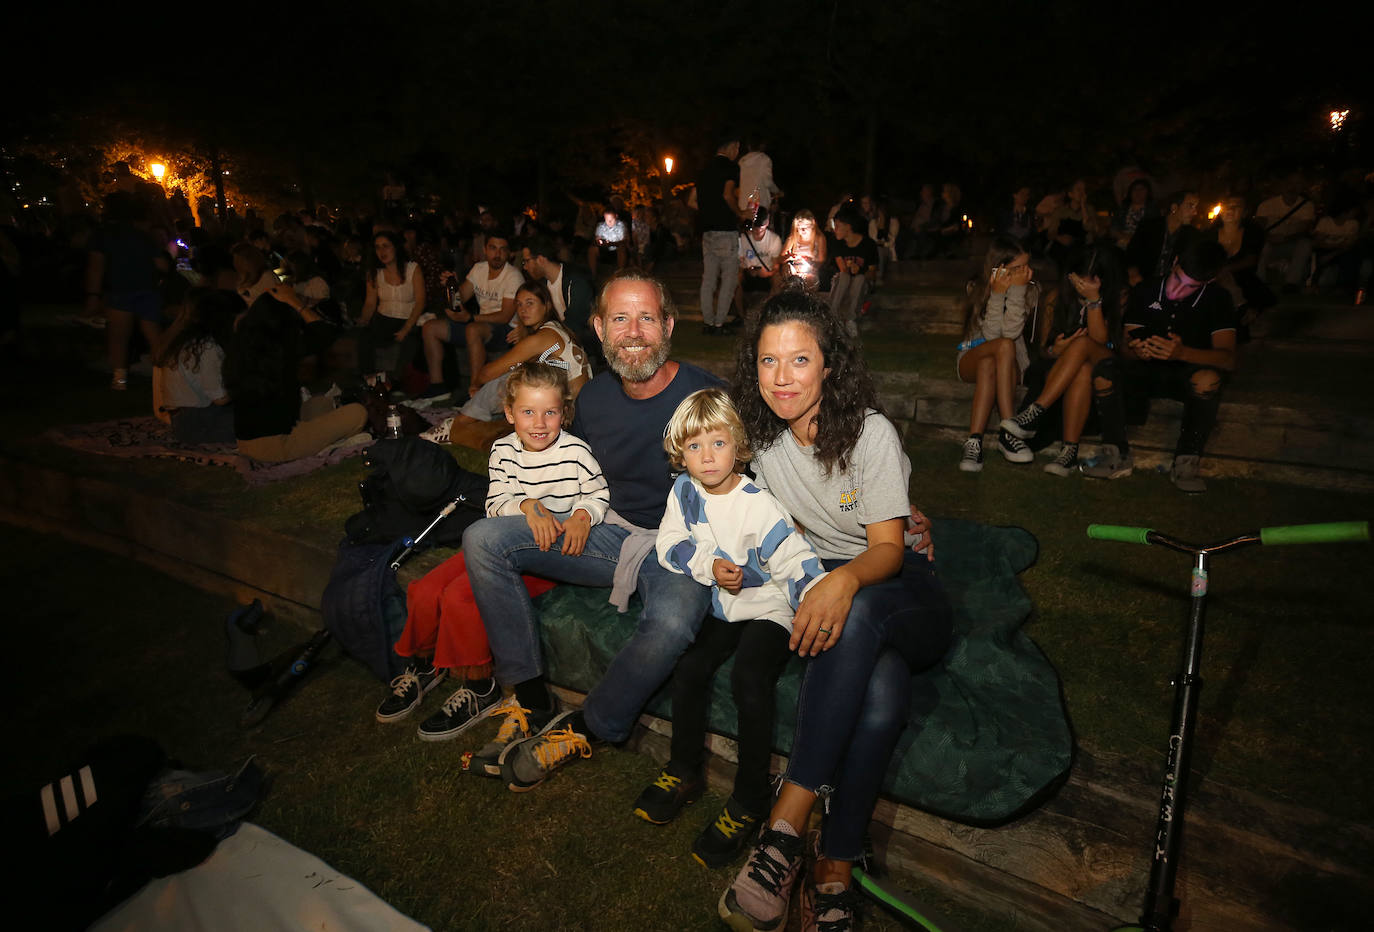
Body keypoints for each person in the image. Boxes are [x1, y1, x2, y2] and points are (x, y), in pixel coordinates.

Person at [719, 288, 950, 931]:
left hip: (906, 595)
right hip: (849, 598)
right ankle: (836, 866)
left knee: (860, 609)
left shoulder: (868, 432)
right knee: (881, 694)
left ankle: (786, 822)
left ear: (829, 366)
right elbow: (743, 509)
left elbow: (888, 552)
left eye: (799, 361)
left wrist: (844, 579)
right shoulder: (760, 441)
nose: (782, 378)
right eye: (768, 361)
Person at [460, 271, 721, 788]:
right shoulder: (595, 399)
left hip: (684, 550)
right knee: (481, 539)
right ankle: (529, 697)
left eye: (647, 317)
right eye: (619, 318)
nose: (633, 331)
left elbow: (771, 458)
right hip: (609, 534)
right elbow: (568, 469)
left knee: (672, 623)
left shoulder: (706, 395)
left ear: (667, 324)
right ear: (599, 328)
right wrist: (544, 505)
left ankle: (590, 725)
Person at [636, 389, 827, 869]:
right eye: (695, 447)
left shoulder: (757, 504)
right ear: (681, 453)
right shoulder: (683, 491)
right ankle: (684, 769)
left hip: (772, 609)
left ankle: (749, 798)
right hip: (727, 606)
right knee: (691, 666)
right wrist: (709, 564)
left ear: (737, 445)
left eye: (717, 444)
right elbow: (670, 543)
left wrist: (815, 606)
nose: (707, 457)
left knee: (749, 677)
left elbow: (794, 560)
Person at [377, 362, 609, 740]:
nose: (539, 423)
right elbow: (496, 502)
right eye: (528, 412)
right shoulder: (503, 450)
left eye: (550, 412)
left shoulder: (575, 453)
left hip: (543, 555)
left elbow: (598, 493)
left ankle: (480, 686)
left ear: (563, 413)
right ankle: (424, 663)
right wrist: (529, 506)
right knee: (426, 588)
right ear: (509, 413)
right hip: (500, 541)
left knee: (460, 598)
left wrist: (583, 515)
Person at [1081, 239, 1237, 492]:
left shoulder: (1218, 299)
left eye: (1191, 287)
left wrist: (1183, 353)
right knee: (1104, 371)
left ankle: (1186, 461)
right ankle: (1115, 453)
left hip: (1188, 369)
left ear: (1208, 282)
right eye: (1177, 279)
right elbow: (1124, 344)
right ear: (1174, 262)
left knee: (1208, 380)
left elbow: (1228, 358)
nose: (1178, 291)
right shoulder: (1146, 290)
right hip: (1146, 368)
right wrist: (1135, 351)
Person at [1000, 247, 1124, 475]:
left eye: (1092, 281)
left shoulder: (1117, 297)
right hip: (1075, 371)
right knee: (1082, 369)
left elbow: (1102, 341)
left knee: (1083, 345)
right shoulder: (1057, 298)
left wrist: (1094, 301)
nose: (1084, 286)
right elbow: (1044, 351)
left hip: (1108, 365)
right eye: (1080, 281)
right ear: (1071, 277)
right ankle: (1068, 453)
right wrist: (1055, 349)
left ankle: (1034, 412)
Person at [224, 294, 369, 462]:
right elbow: (327, 333)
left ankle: (324, 442)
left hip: (249, 443)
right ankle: (328, 448)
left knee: (320, 403)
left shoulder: (242, 348)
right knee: (357, 413)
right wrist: (299, 305)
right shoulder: (280, 348)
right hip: (278, 446)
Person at [444, 280, 591, 426]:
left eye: (530, 303)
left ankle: (458, 424)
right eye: (519, 304)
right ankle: (478, 418)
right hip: (573, 405)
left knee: (506, 379)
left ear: (546, 306)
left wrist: (474, 385)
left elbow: (487, 373)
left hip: (570, 413)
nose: (523, 310)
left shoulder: (542, 337)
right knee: (518, 374)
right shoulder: (556, 328)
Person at [955, 236, 1039, 472]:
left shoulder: (1030, 289)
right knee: (999, 347)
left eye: (1026, 266)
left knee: (993, 360)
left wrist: (1017, 290)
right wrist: (997, 294)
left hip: (1011, 364)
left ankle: (974, 441)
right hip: (972, 354)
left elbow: (1011, 332)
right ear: (998, 268)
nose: (1025, 272)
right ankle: (1009, 431)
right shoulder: (976, 287)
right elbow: (992, 336)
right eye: (1017, 268)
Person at [419, 229, 520, 400]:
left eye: (502, 249)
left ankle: (474, 389)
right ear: (485, 250)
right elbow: (460, 299)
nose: (497, 254)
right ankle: (438, 386)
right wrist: (450, 286)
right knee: (430, 327)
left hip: (507, 330)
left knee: (473, 329)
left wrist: (470, 318)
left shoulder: (513, 276)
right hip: (481, 324)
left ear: (509, 253)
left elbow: (505, 316)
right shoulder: (478, 269)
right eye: (493, 248)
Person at [86, 192, 164, 390]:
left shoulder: (102, 235)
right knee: (154, 335)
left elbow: (96, 267)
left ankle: (119, 380)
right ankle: (166, 377)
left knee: (119, 337)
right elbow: (161, 264)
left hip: (120, 290)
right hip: (147, 289)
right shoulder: (143, 236)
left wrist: (93, 295)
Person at [152, 288, 240, 444]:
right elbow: (221, 398)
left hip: (183, 420)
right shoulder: (206, 347)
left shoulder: (181, 340)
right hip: (197, 422)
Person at [356, 230, 425, 378]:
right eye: (377, 247)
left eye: (386, 246)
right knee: (365, 336)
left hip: (409, 319)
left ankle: (397, 382)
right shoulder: (374, 273)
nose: (382, 251)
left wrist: (406, 329)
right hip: (384, 319)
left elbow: (420, 302)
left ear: (395, 247)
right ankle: (369, 378)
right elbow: (370, 303)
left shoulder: (413, 269)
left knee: (411, 341)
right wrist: (364, 319)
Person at [699, 135, 749, 335]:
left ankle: (707, 322)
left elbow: (693, 200)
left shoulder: (703, 170)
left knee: (709, 279)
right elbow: (728, 194)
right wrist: (740, 213)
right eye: (737, 149)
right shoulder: (731, 168)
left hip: (707, 232)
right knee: (729, 280)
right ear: (733, 147)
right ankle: (719, 324)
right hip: (726, 231)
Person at [520, 235, 596, 358]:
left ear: (540, 260)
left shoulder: (576, 281)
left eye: (527, 261)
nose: (525, 267)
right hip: (559, 341)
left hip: (585, 348)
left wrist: (540, 337)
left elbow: (575, 325)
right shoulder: (543, 284)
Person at [1126, 190, 1199, 286]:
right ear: (1174, 207)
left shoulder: (1191, 235)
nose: (1195, 212)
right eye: (1190, 206)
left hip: (1171, 286)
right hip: (1143, 280)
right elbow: (1131, 253)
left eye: (1195, 207)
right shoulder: (1149, 227)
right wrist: (1133, 272)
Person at [828, 205, 879, 339]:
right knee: (844, 276)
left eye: (838, 226)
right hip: (842, 283)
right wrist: (849, 269)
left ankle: (850, 320)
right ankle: (831, 318)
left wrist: (860, 270)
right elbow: (843, 270)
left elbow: (872, 273)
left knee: (860, 279)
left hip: (861, 285)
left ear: (848, 227)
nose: (835, 229)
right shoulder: (837, 243)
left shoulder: (868, 244)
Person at [733, 206, 782, 316]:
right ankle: (741, 316)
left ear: (767, 223)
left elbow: (776, 265)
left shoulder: (774, 239)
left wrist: (767, 273)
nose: (757, 230)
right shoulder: (743, 238)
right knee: (734, 279)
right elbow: (739, 263)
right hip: (748, 272)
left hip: (767, 273)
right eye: (755, 227)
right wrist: (747, 270)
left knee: (778, 280)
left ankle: (767, 313)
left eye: (761, 227)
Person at [775, 209, 827, 293]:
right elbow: (780, 259)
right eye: (799, 227)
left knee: (809, 282)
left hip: (810, 271)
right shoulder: (792, 239)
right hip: (794, 269)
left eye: (806, 227)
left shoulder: (819, 239)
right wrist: (790, 257)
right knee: (786, 275)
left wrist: (810, 262)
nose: (803, 230)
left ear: (813, 226)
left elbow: (821, 260)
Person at [588, 208, 628, 276]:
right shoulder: (600, 226)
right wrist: (600, 242)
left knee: (622, 249)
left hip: (616, 250)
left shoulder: (622, 225)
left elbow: (624, 241)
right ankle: (593, 274)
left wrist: (611, 243)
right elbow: (597, 239)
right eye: (607, 220)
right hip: (604, 249)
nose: (609, 222)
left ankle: (620, 274)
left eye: (611, 220)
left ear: (616, 216)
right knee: (592, 249)